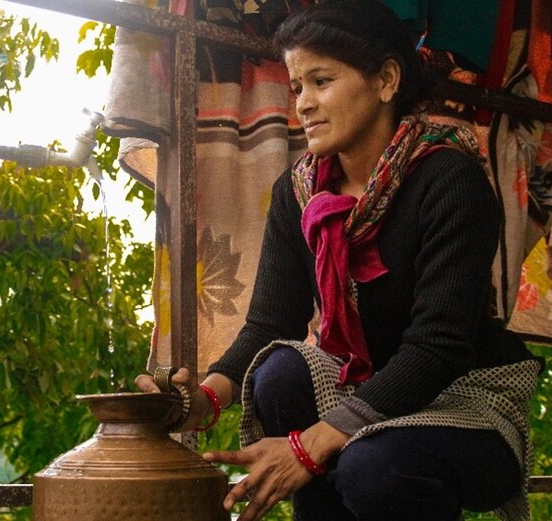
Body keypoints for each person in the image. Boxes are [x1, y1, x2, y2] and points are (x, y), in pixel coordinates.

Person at [135, 1, 544, 520]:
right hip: (364, 391)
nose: (303, 104)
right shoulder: (300, 191)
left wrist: (307, 447)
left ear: (387, 81)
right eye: (297, 87)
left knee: (372, 468)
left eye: (321, 81)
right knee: (280, 371)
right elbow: (269, 322)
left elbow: (439, 347)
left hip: (464, 401)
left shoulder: (450, 181)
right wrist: (204, 400)